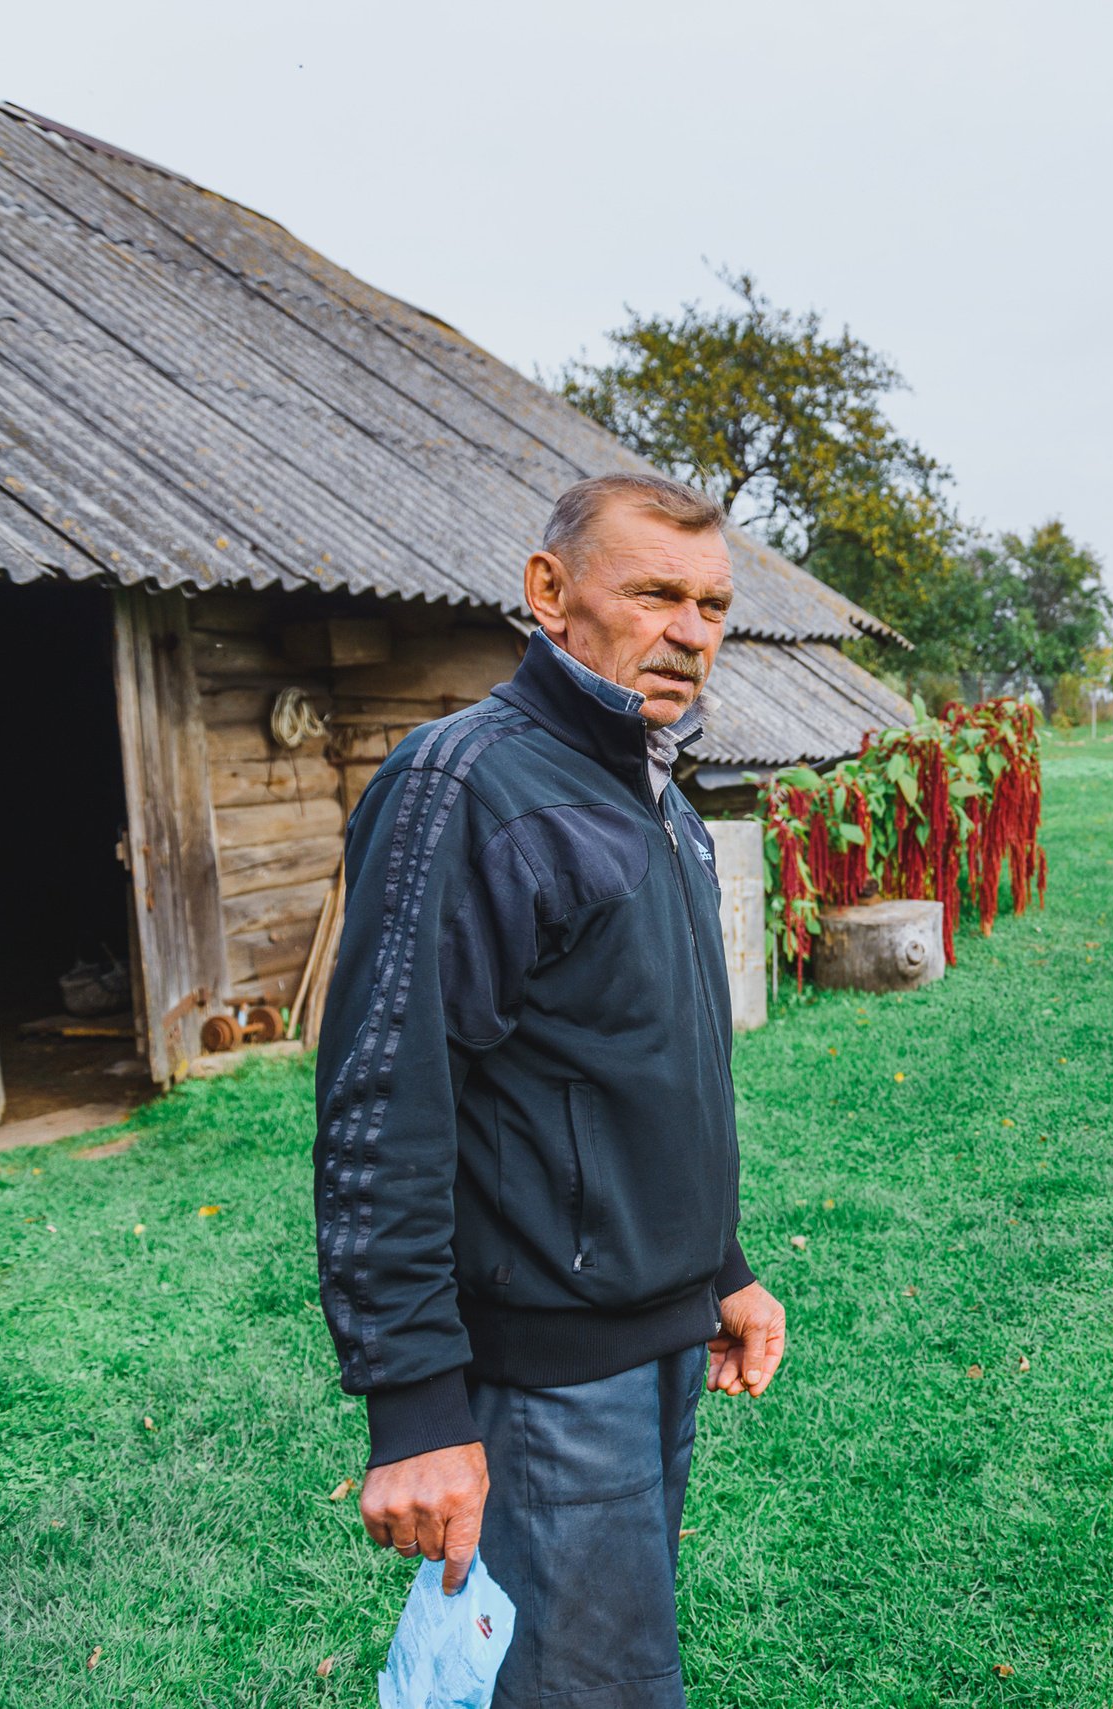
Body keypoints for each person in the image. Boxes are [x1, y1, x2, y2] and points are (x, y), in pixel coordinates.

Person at [314, 472, 787, 1706]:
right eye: (655, 593)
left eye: (712, 605)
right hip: (548, 1372)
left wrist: (720, 1269)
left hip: (656, 1336)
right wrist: (418, 1408)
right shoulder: (467, 786)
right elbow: (383, 1100)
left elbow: (642, 1070)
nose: (689, 630)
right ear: (549, 591)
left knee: (610, 1667)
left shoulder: (652, 788)